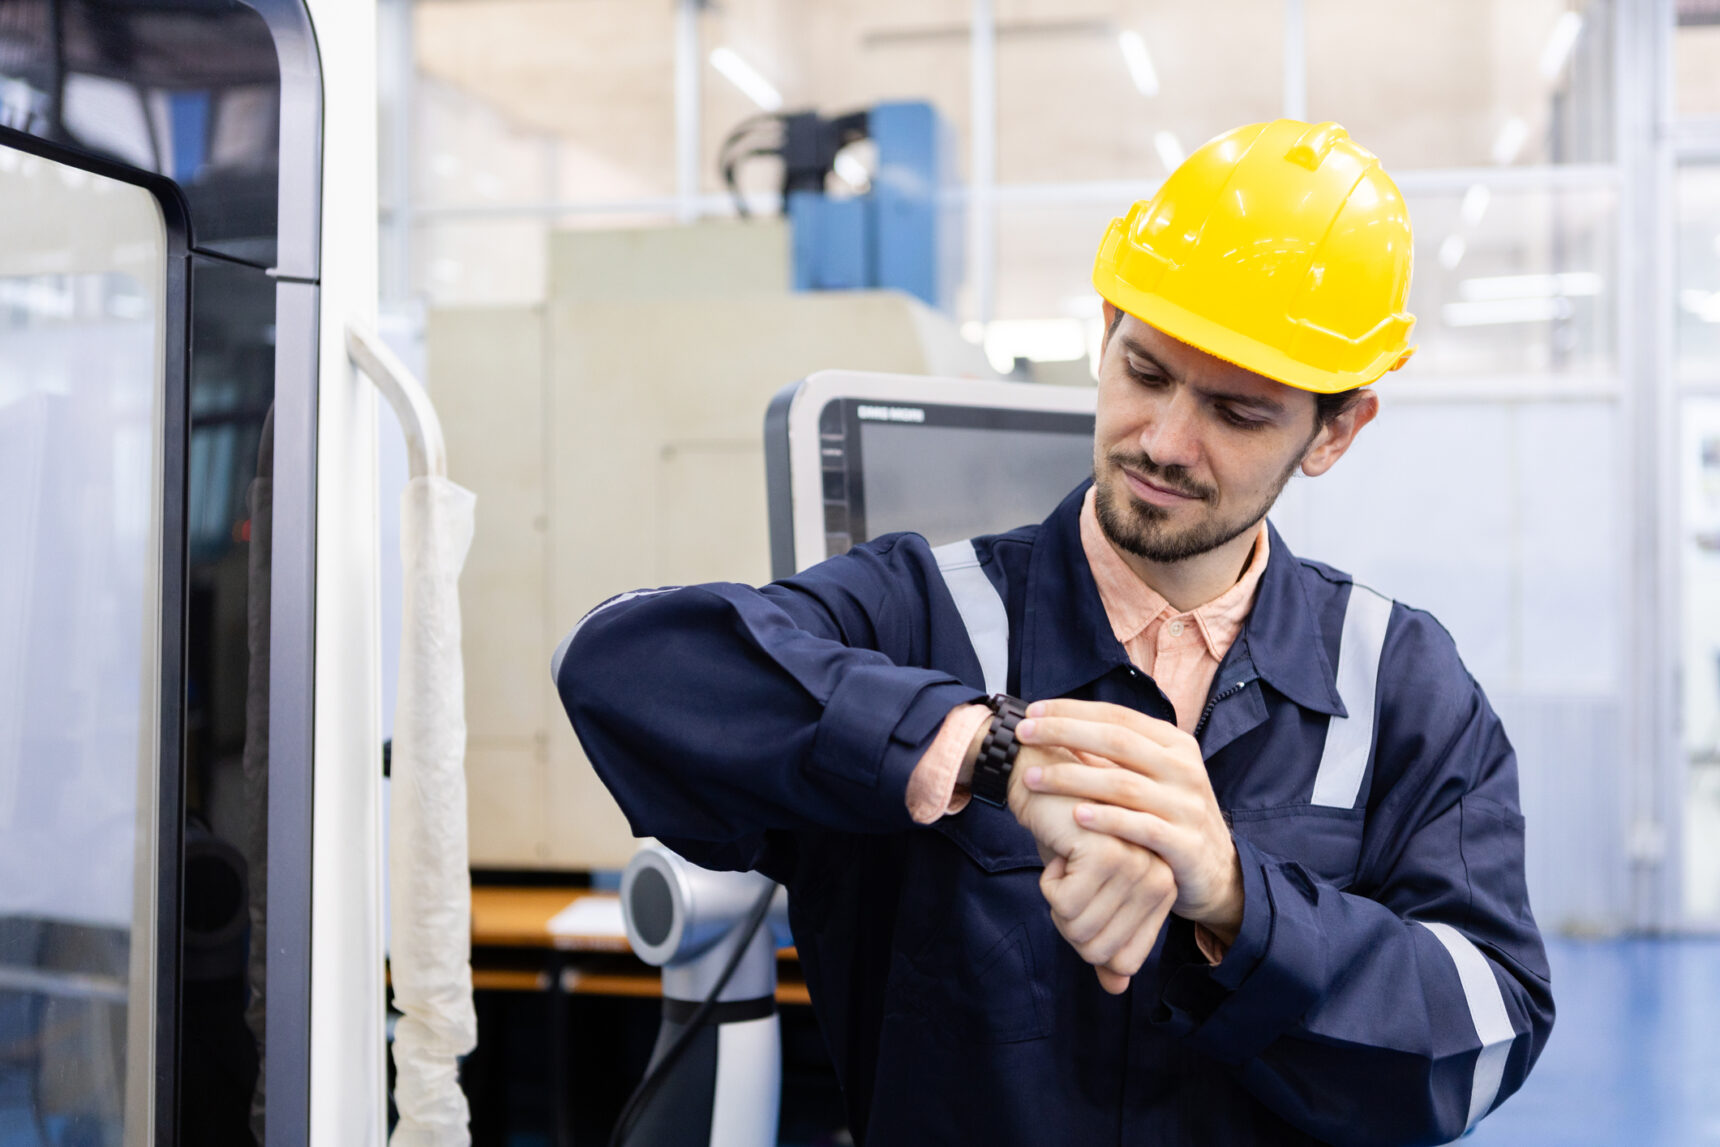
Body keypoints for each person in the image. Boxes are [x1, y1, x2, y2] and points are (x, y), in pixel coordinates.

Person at [553, 119, 1554, 1145]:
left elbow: (1485, 1031)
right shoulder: (920, 612)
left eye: (1237, 412)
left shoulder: (1401, 683)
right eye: (1146, 372)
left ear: (1335, 431)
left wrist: (1236, 899)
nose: (1164, 441)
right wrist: (980, 751)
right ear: (1107, 323)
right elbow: (623, 665)